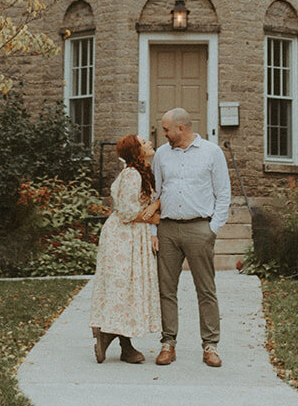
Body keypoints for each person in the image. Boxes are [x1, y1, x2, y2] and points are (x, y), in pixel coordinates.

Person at [152, 107, 231, 368]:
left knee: (206, 289)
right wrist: (154, 231)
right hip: (168, 228)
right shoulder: (162, 154)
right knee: (166, 289)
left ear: (181, 128)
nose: (163, 134)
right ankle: (168, 344)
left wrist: (213, 229)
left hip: (200, 228)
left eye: (166, 130)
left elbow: (223, 193)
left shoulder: (212, 152)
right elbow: (156, 194)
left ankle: (210, 345)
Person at [90, 134, 162, 364]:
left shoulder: (141, 172)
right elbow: (127, 212)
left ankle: (120, 342)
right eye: (144, 143)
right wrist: (156, 219)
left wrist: (154, 206)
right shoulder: (132, 175)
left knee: (129, 289)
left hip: (131, 234)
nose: (149, 143)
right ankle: (116, 340)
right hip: (124, 237)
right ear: (136, 151)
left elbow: (149, 200)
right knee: (126, 287)